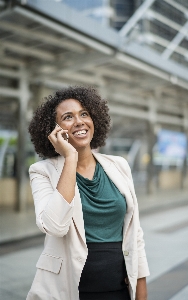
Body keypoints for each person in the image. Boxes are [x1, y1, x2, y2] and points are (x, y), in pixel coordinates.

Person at [27, 86, 150, 300]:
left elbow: (135, 235)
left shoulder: (119, 165)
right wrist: (70, 157)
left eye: (84, 113)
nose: (79, 121)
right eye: (68, 117)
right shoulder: (42, 171)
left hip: (118, 291)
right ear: (54, 130)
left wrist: (141, 292)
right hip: (69, 291)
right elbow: (55, 226)